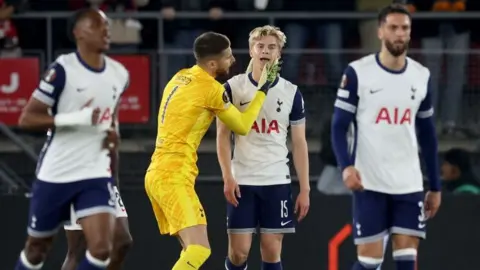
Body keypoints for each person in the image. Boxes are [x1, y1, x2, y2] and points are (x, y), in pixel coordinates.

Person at [144, 31, 280, 270]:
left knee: (189, 250)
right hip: (173, 176)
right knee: (199, 249)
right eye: (228, 57)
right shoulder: (211, 89)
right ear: (212, 64)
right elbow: (242, 125)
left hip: (157, 173)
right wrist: (262, 89)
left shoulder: (180, 77)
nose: (233, 60)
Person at [14, 8, 129, 270]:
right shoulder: (63, 69)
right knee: (36, 251)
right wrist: (74, 119)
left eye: (107, 25)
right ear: (78, 33)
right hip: (58, 170)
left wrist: (113, 135)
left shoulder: (120, 73)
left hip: (95, 170)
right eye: (97, 25)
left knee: (102, 249)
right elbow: (26, 119)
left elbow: (111, 115)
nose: (106, 29)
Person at [331, 4, 442, 270]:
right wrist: (346, 167)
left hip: (408, 183)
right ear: (380, 31)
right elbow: (338, 126)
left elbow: (427, 134)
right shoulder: (358, 72)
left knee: (407, 259)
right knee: (370, 262)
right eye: (393, 27)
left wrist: (435, 186)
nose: (399, 34)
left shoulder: (421, 76)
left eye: (405, 28)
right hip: (370, 182)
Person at [217, 25, 310, 270]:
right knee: (238, 253)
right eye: (260, 46)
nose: (265, 51)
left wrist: (305, 188)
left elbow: (299, 143)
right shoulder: (233, 88)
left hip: (276, 180)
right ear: (251, 51)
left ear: (279, 53)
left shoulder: (291, 93)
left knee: (271, 250)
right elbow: (222, 137)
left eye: (272, 47)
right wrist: (227, 176)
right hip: (243, 180)